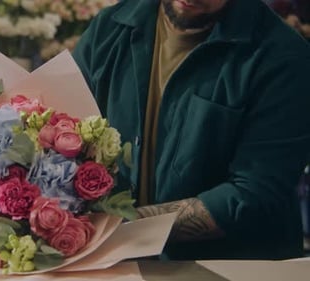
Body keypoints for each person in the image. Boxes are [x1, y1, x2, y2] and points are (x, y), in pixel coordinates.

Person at [73, 0, 310, 260]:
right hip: (114, 263)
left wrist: (127, 226)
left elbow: (253, 194)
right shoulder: (110, 28)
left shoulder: (282, 56)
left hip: (230, 266)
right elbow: (62, 134)